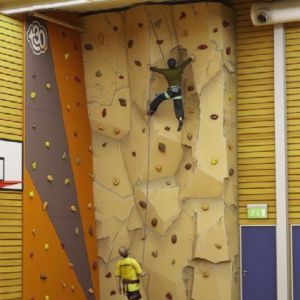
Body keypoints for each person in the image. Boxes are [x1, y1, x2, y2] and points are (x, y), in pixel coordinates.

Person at [148, 56, 194, 131]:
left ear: (168, 65)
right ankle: (180, 118)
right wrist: (190, 58)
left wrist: (150, 68)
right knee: (178, 105)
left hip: (172, 89)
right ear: (175, 64)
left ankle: (151, 110)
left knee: (160, 97)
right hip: (178, 90)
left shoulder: (166, 71)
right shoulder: (178, 69)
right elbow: (184, 64)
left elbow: (158, 70)